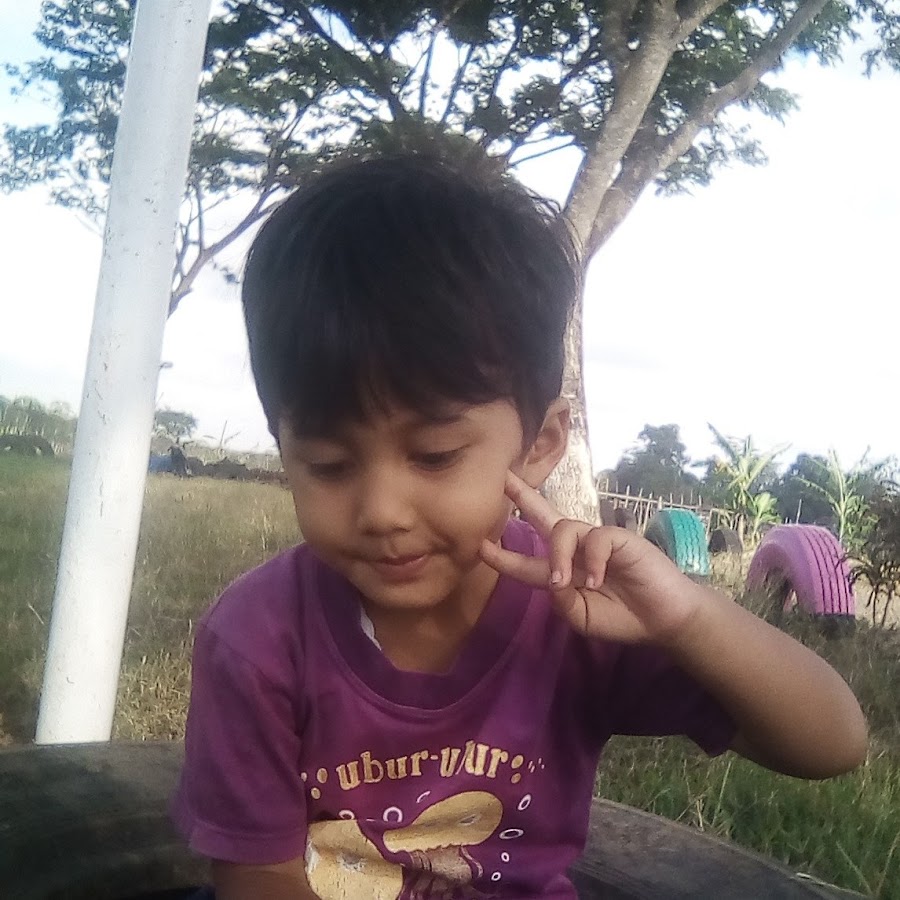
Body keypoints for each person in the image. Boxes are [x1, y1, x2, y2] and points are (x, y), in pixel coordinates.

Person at [171, 154, 867, 900]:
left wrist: (686, 618)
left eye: (435, 455)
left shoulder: (576, 611)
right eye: (329, 465)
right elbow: (259, 878)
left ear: (540, 444)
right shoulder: (259, 639)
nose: (381, 512)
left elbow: (832, 743)